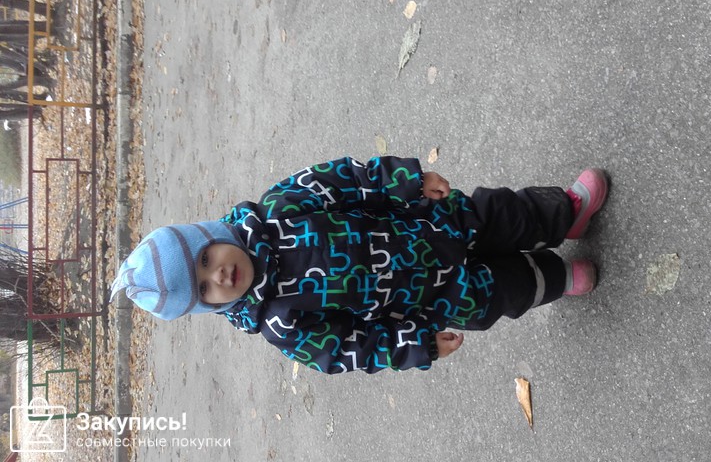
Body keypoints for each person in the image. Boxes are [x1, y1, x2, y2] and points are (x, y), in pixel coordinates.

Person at [111, 156, 608, 374]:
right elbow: (351, 349)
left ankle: (565, 215)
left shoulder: (279, 207)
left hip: (434, 223)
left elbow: (345, 180)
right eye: (204, 288)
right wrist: (415, 346)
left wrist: (404, 182)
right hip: (435, 298)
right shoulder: (281, 325)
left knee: (504, 213)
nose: (218, 274)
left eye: (205, 258)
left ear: (208, 235)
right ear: (210, 307)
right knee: (506, 292)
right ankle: (556, 277)